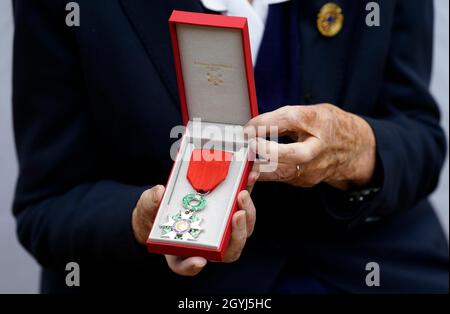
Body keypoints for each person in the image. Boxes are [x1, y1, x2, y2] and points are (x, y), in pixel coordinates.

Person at [12, 0, 448, 293]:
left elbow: (421, 139)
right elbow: (47, 206)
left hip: (367, 266)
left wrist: (360, 150)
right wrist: (144, 223)